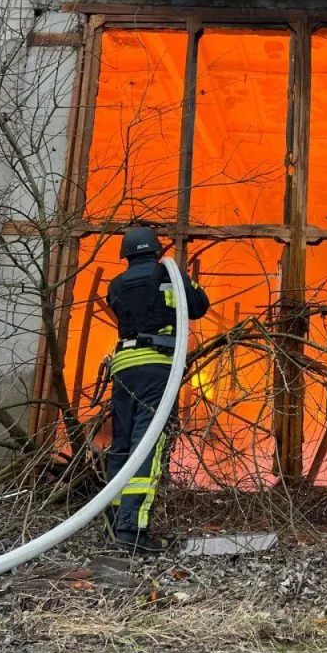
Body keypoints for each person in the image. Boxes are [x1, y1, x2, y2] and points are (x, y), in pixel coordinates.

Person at [105, 226, 209, 553]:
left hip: (123, 366)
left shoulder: (116, 284)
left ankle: (114, 517)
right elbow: (199, 305)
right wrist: (179, 276)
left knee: (121, 444)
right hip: (156, 368)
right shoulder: (169, 276)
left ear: (127, 254)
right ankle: (132, 529)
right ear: (156, 250)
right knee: (146, 441)